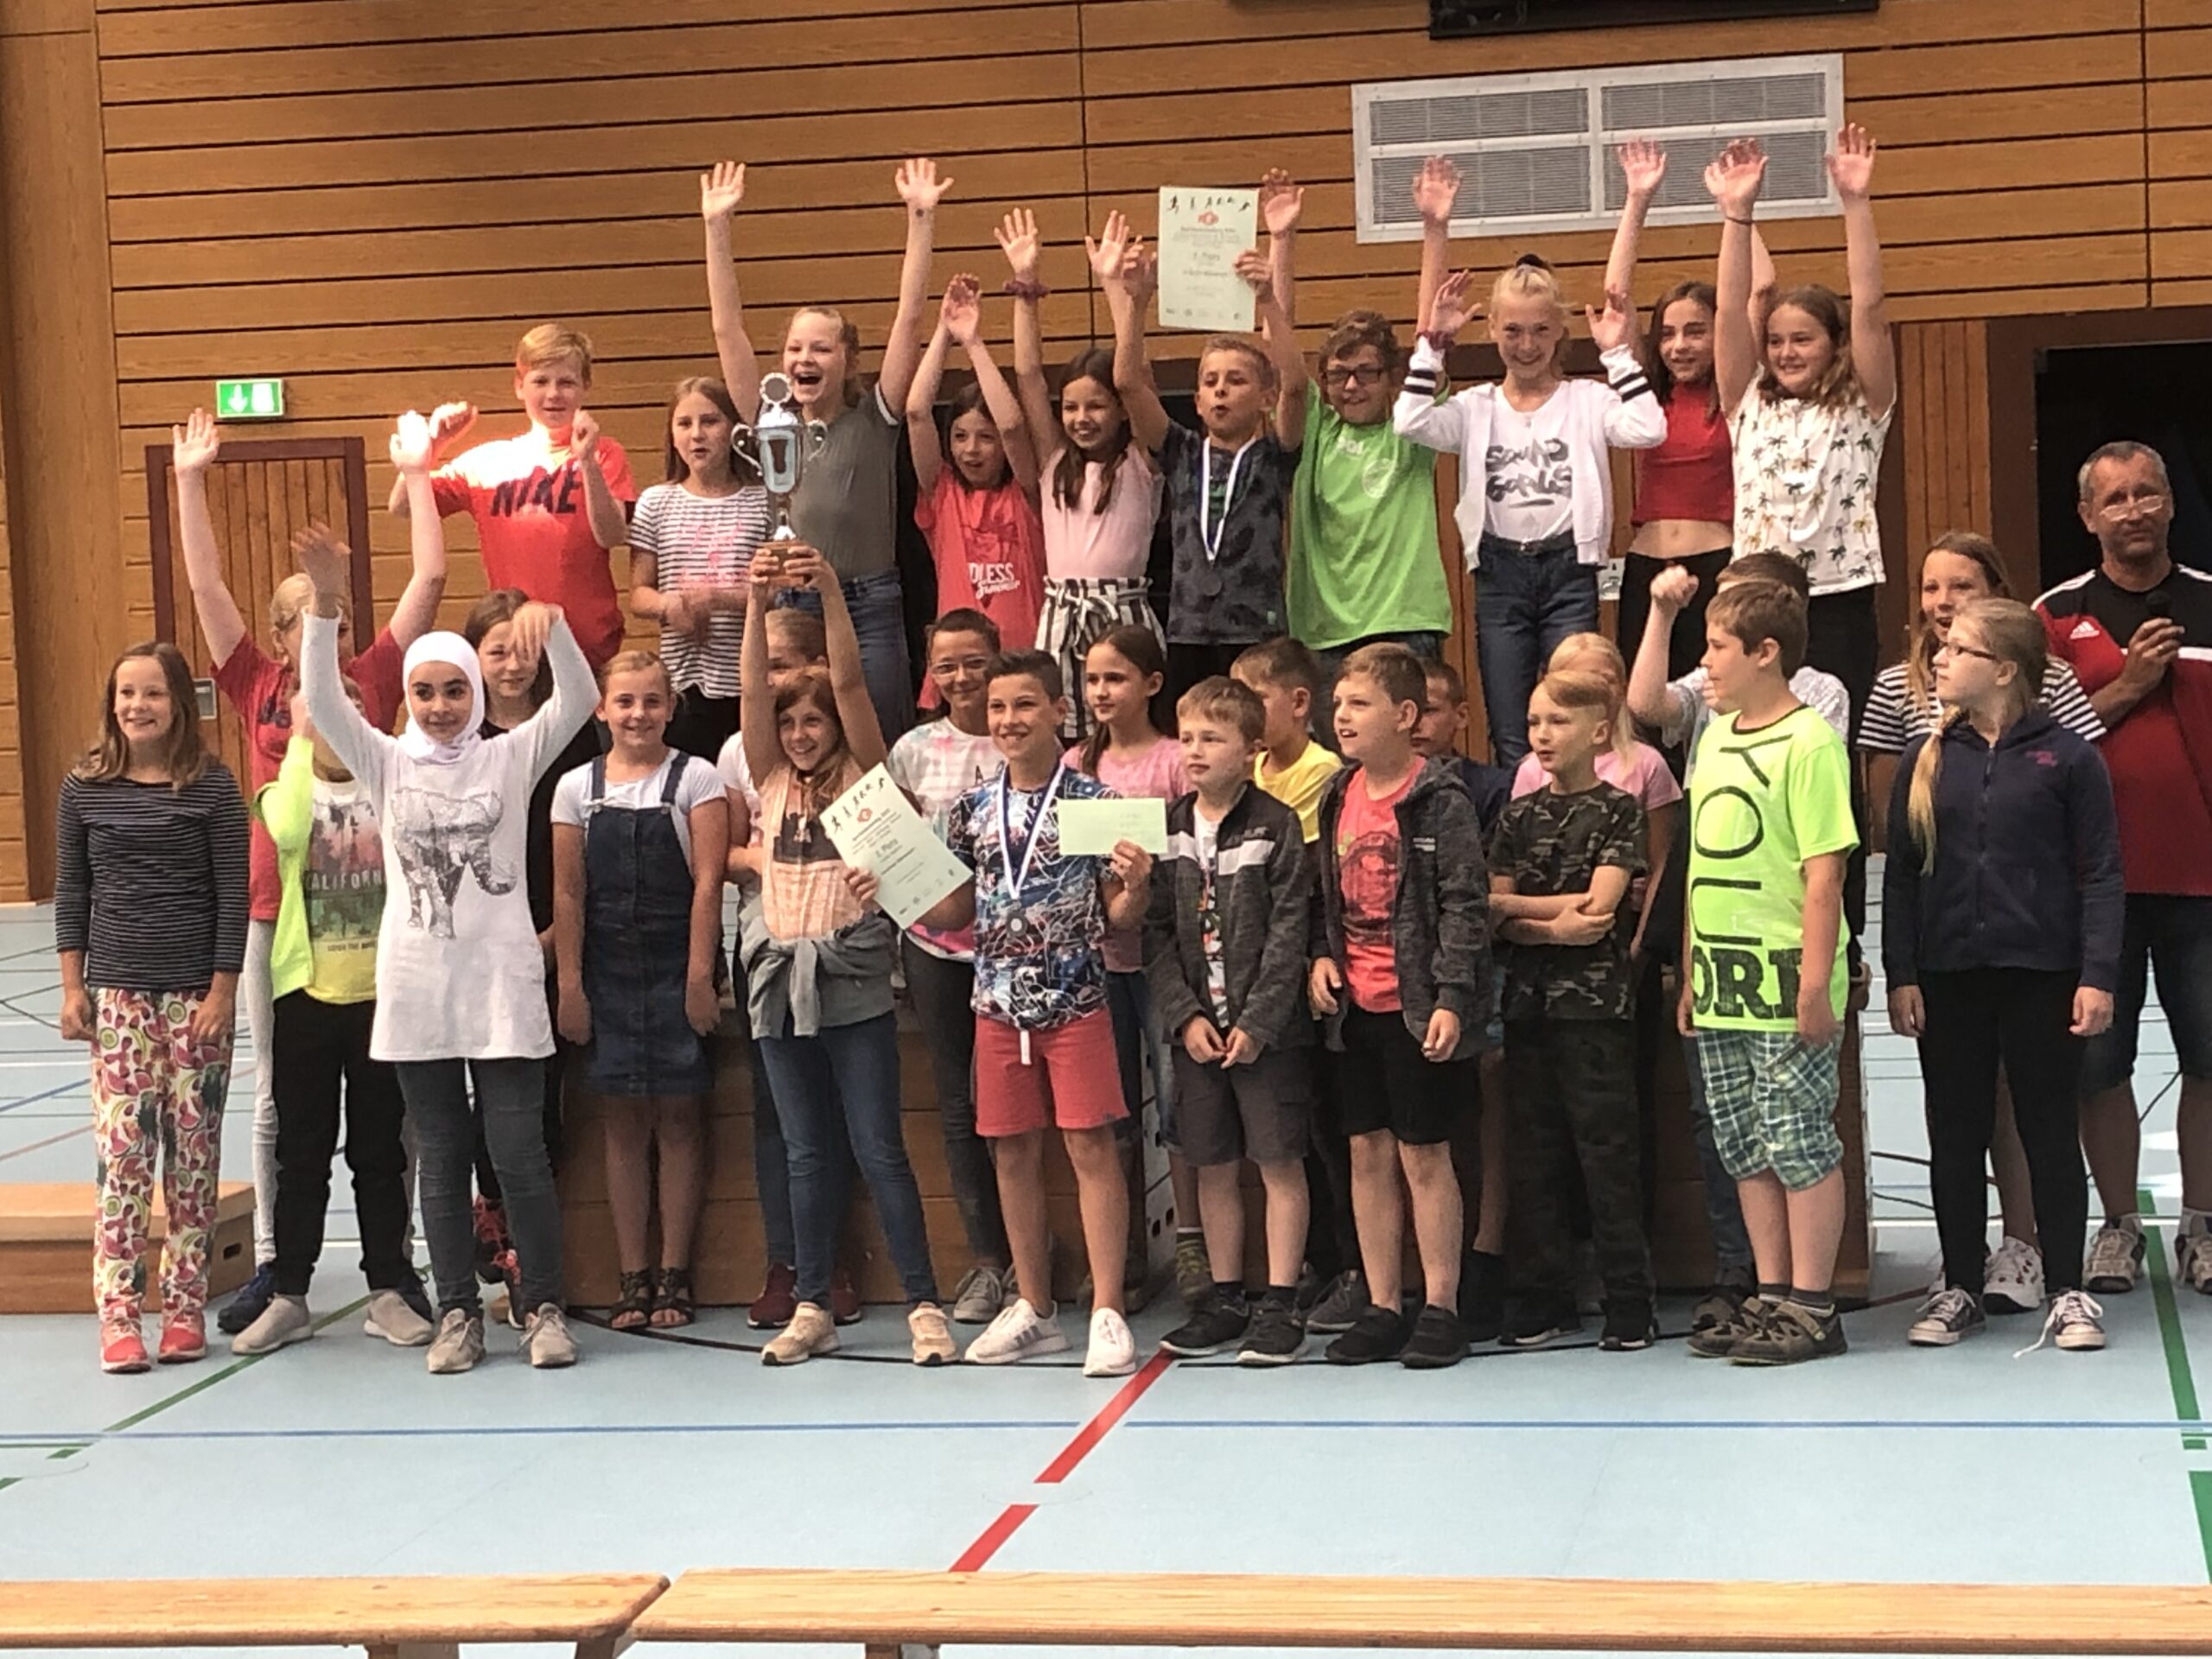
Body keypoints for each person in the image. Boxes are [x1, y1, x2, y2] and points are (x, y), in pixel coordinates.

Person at [174, 407, 445, 1338]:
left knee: (384, 1119)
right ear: (282, 633)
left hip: (374, 935)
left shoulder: (371, 676)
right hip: (279, 919)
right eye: (307, 615)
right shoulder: (258, 683)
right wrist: (190, 481)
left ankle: (391, 1271)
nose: (327, 625)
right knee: (282, 1109)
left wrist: (418, 477)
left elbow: (430, 580)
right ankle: (276, 1269)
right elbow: (205, 584)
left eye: (336, 613)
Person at [299, 525, 595, 1375]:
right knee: (440, 1157)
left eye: (454, 691)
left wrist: (553, 626)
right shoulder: (386, 763)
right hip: (419, 986)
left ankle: (543, 1307)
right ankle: (459, 1312)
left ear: (475, 690)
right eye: (424, 692)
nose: (438, 706)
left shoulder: (509, 758)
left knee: (519, 1154)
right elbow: (323, 700)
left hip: (502, 984)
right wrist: (326, 604)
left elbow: (578, 700)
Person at [1859, 530, 2106, 1313]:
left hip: (2042, 973)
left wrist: (2097, 975)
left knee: (2047, 1130)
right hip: (1950, 975)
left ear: (2002, 668)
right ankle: (1960, 1282)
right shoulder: (1928, 760)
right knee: (1955, 1134)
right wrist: (1902, 972)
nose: (1940, 656)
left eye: (1959, 648)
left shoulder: (2069, 759)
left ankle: (2065, 1287)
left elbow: (2102, 872)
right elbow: (1902, 872)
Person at [905, 651, 1155, 1376]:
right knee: (1010, 1151)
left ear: (1057, 711)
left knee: (1091, 1147)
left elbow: (1119, 914)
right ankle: (1036, 1308)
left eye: (1024, 705)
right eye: (997, 708)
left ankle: (1107, 1309)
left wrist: (1138, 886)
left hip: (1076, 999)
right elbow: (955, 909)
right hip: (996, 1004)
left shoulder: (1093, 803)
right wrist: (891, 886)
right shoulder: (971, 809)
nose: (1009, 720)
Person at [734, 541, 949, 1366]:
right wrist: (755, 604)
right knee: (804, 1153)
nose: (798, 734)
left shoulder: (866, 780)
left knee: (879, 1148)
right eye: (789, 723)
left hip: (852, 986)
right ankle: (812, 1301)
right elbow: (753, 691)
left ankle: (923, 1302)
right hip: (780, 988)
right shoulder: (770, 778)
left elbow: (853, 684)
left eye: (812, 721)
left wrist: (827, 588)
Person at [2037, 441, 2212, 1294]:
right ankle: (2116, 1225)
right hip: (2090, 886)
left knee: (2209, 1058)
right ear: (2087, 516)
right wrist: (2129, 684)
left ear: (2171, 502)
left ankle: (2202, 1224)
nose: (2134, 509)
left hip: (2202, 884)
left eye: (2148, 492)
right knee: (2098, 1066)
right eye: (2115, 498)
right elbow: (2035, 745)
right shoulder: (2053, 617)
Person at [1678, 578, 1858, 1365]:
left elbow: (1825, 874)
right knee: (1744, 1141)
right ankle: (1773, 1289)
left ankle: (1814, 1303)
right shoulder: (1716, 737)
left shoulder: (1809, 742)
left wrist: (1815, 984)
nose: (1706, 664)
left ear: (1765, 653)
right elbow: (1700, 862)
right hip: (1722, 978)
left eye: (1718, 647)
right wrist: (1692, 966)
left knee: (1798, 1137)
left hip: (1785, 978)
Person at [57, 643, 248, 1373]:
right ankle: (118, 1314)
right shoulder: (84, 787)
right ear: (112, 704)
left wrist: (222, 991)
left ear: (179, 705)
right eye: (126, 694)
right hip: (120, 999)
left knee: (193, 1161)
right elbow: (73, 893)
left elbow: (232, 895)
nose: (138, 706)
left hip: (195, 999)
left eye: (153, 694)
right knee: (125, 1160)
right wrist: (74, 987)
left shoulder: (210, 787)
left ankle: (183, 1307)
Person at [702, 158, 940, 743]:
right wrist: (716, 228)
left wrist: (921, 219)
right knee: (800, 740)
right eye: (794, 349)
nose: (804, 359)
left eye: (821, 349)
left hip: (869, 604)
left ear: (848, 360)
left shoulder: (877, 413)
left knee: (877, 744)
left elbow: (910, 318)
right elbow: (727, 331)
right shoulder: (770, 418)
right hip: (792, 603)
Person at [1394, 256, 1665, 767]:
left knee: (1574, 711)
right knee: (1511, 725)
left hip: (1569, 571)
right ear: (1492, 328)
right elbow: (1409, 422)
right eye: (1513, 330)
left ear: (1561, 329)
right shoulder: (1475, 407)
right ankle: (1519, 813)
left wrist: (1618, 355)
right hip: (1500, 574)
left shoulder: (1586, 400)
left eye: (1541, 330)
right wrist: (1434, 345)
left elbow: (1649, 428)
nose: (1526, 345)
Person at [1308, 643, 1492, 1369]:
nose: (1342, 716)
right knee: (1367, 1151)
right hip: (1355, 1008)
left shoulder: (1439, 799)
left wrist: (1451, 996)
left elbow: (1464, 905)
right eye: (1338, 704)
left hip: (1417, 1007)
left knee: (1424, 1153)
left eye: (1359, 703)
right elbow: (1325, 893)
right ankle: (1384, 1302)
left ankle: (1442, 1304)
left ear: (1406, 714)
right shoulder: (1337, 794)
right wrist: (1322, 956)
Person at [231, 683, 428, 1357]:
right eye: (319, 710)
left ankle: (387, 1290)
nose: (335, 722)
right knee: (302, 1153)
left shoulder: (388, 784)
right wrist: (299, 741)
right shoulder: (282, 790)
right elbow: (288, 830)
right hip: (306, 998)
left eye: (348, 709)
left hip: (380, 998)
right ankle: (290, 1294)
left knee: (380, 1152)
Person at [552, 653, 729, 1331]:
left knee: (680, 1119)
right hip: (607, 970)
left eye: (652, 701)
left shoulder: (698, 778)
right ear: (602, 709)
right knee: (623, 1122)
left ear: (671, 708)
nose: (638, 714)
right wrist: (571, 984)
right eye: (624, 702)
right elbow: (569, 893)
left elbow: (708, 885)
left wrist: (698, 977)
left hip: (677, 962)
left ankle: (675, 1273)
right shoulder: (576, 788)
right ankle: (633, 1276)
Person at [1147, 676, 1315, 1366]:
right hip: (1198, 1034)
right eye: (1187, 737)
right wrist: (1185, 1016)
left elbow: (1290, 931)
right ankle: (1224, 1299)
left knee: (1278, 1161)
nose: (1194, 751)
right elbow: (1156, 931)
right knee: (1211, 1164)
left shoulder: (1277, 825)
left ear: (1250, 750)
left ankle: (1281, 1303)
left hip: (1264, 1034)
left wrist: (1260, 1021)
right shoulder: (1169, 828)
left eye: (1212, 739)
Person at [1709, 128, 1897, 730]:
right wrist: (1737, 215)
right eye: (1776, 341)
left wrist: (1856, 203)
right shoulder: (1748, 403)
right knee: (1752, 729)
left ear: (1834, 345)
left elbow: (1869, 308)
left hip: (1838, 595)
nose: (1786, 353)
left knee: (1832, 738)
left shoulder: (1862, 406)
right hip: (1755, 595)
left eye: (1802, 340)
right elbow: (1729, 311)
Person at [1489, 670, 1651, 1350]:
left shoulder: (1618, 809)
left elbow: (1602, 905)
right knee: (1534, 1157)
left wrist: (1521, 912)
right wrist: (1553, 927)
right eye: (1533, 722)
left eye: (1558, 722)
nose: (1542, 735)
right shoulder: (1516, 816)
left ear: (1598, 731)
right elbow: (1494, 910)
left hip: (1595, 1008)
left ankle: (1629, 1302)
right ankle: (1543, 1298)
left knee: (1606, 1154)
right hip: (1528, 1004)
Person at [717, 606, 866, 1332]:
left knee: (839, 1112)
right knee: (777, 1115)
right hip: (766, 945)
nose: (774, 679)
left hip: (836, 940)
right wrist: (763, 860)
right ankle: (788, 1261)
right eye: (765, 666)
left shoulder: (843, 747)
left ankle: (829, 1261)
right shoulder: (740, 750)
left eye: (786, 664)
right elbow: (726, 852)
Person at [464, 588, 601, 1325]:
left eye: (522, 651)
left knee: (542, 1107)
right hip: (482, 953)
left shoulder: (568, 734)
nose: (511, 666)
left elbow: (581, 853)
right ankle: (499, 1237)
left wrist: (552, 940)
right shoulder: (460, 741)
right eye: (496, 652)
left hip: (557, 939)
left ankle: (543, 1256)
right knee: (486, 1108)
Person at [1106, 214, 1308, 702]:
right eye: (1210, 381)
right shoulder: (1180, 452)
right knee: (1195, 733)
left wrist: (1267, 300)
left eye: (1236, 381)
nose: (1220, 390)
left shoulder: (1274, 454)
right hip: (1189, 629)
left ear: (1264, 398)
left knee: (1258, 732)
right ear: (1197, 401)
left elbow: (1297, 385)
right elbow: (1127, 382)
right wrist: (1137, 303)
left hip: (1257, 629)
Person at [1269, 162, 1457, 677]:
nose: (1351, 386)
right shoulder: (1317, 429)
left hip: (1404, 622)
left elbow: (1429, 338)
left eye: (1366, 373)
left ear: (1392, 376)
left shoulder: (1412, 430)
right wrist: (1281, 241)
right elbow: (1281, 354)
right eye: (1338, 375)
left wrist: (1434, 229)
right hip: (1323, 632)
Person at [1604, 140, 1770, 679]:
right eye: (1669, 334)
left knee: (1713, 698)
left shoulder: (1735, 392)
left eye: (1695, 331)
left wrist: (1737, 211)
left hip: (1715, 565)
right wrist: (1637, 201)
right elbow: (1616, 298)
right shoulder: (1649, 396)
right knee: (1643, 700)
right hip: (1646, 566)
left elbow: (1759, 291)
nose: (1679, 346)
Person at [887, 608, 1012, 1325]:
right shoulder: (911, 750)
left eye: (974, 661)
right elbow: (891, 846)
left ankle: (1035, 1259)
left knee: (1021, 1109)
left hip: (1019, 951)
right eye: (946, 666)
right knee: (960, 1107)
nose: (962, 677)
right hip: (936, 950)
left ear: (998, 657)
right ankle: (988, 1260)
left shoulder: (1022, 738)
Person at [997, 208, 1165, 743]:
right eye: (1070, 407)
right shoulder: (1053, 463)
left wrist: (1115, 286)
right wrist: (1025, 286)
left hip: (1124, 610)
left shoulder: (1141, 461)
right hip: (1062, 610)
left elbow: (1134, 377)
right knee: (1064, 735)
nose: (1081, 418)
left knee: (1129, 733)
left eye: (1096, 406)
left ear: (1119, 410)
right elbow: (1027, 374)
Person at [397, 324, 637, 670]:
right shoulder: (488, 461)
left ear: (585, 385)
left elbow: (612, 534)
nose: (553, 394)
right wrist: (433, 447)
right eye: (541, 381)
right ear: (519, 386)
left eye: (566, 382)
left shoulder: (604, 454)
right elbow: (403, 505)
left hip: (588, 647)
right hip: (513, 651)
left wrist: (587, 462)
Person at [1071, 625, 1189, 1309]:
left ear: (1151, 684)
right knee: (1109, 1114)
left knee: (1177, 1105)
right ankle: (1123, 1260)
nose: (1101, 691)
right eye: (1091, 679)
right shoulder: (1075, 765)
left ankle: (1192, 1247)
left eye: (1115, 678)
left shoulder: (1175, 761)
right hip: (1095, 960)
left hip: (1163, 957)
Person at [1413, 658, 1515, 1338]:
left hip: (1482, 969)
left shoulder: (1489, 789)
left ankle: (1489, 1248)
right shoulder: (1365, 790)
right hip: (1400, 979)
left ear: (1461, 716)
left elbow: (1488, 895)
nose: (1419, 723)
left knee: (1493, 1093)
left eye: (1432, 708)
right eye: (1410, 708)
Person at [906, 274, 1046, 683]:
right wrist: (944, 331)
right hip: (958, 675)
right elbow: (916, 412)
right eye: (960, 437)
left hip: (1023, 670)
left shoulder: (1027, 493)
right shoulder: (942, 493)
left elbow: (1013, 427)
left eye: (985, 438)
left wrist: (974, 343)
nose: (971, 450)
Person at [626, 376, 771, 762]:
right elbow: (639, 594)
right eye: (684, 424)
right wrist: (669, 605)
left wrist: (720, 599)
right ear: (672, 435)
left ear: (734, 430)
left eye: (710, 421)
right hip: (683, 681)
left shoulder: (764, 501)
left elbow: (781, 594)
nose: (697, 435)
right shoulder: (656, 502)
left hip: (750, 679)